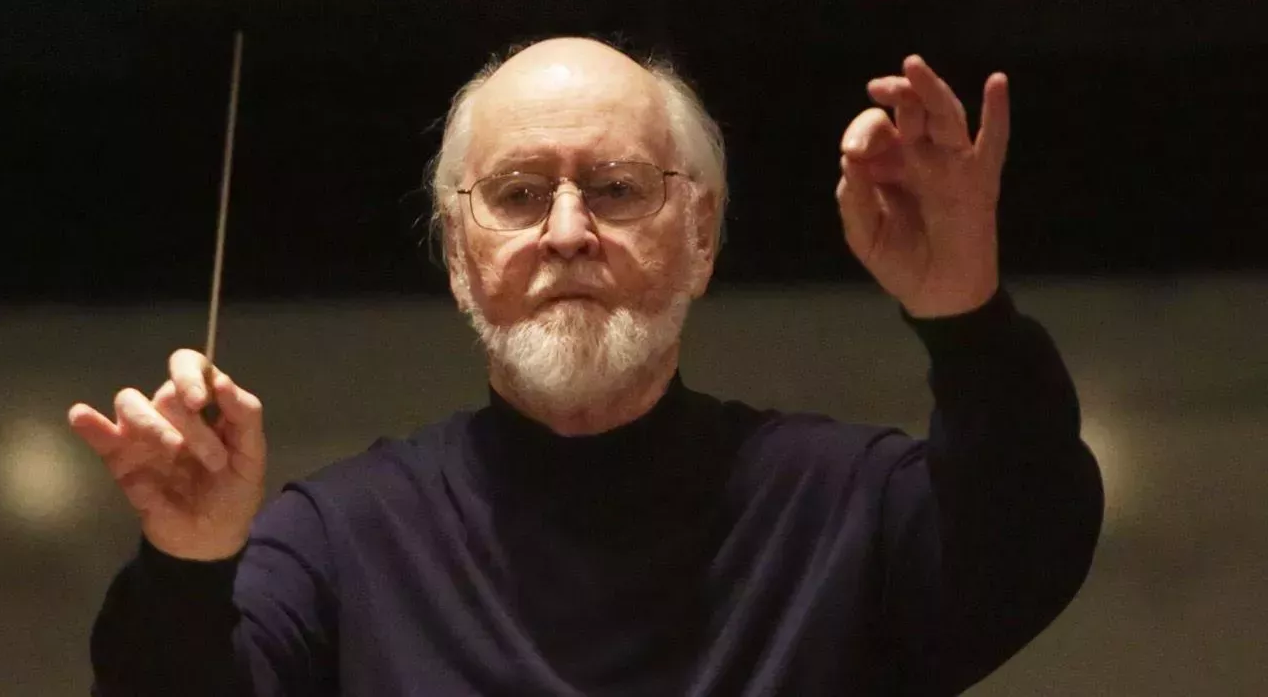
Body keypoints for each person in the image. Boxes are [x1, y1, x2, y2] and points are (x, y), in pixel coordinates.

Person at [70, 37, 1104, 696]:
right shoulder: (343, 539)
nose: (566, 233)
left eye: (615, 189)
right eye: (518, 195)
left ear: (700, 237)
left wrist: (965, 314)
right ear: (457, 252)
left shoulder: (838, 504)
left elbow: (1026, 546)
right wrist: (188, 560)